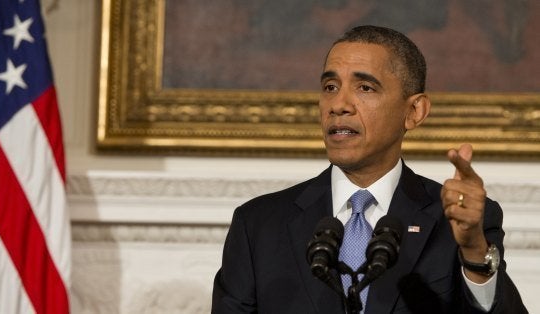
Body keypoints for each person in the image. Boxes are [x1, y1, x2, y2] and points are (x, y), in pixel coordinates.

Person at [212, 25, 527, 313]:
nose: (339, 104)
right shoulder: (258, 225)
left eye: (365, 88)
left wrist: (474, 253)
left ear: (414, 111)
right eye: (330, 86)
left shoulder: (458, 223)